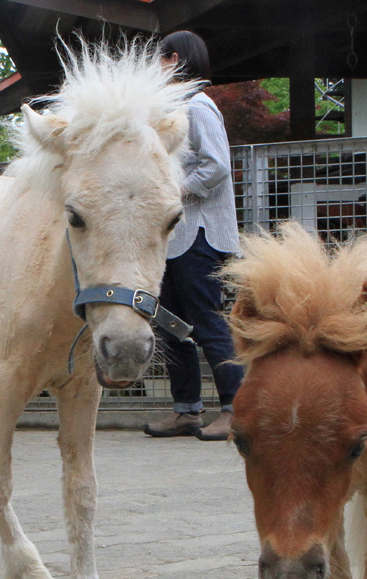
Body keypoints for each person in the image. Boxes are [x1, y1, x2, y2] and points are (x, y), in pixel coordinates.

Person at [143, 30, 243, 442]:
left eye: (159, 59)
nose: (154, 68)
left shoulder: (199, 106)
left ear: (174, 58)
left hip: (200, 236)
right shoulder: (175, 107)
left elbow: (217, 166)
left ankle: (236, 409)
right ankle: (186, 410)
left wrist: (174, 189)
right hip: (176, 235)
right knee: (171, 324)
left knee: (207, 323)